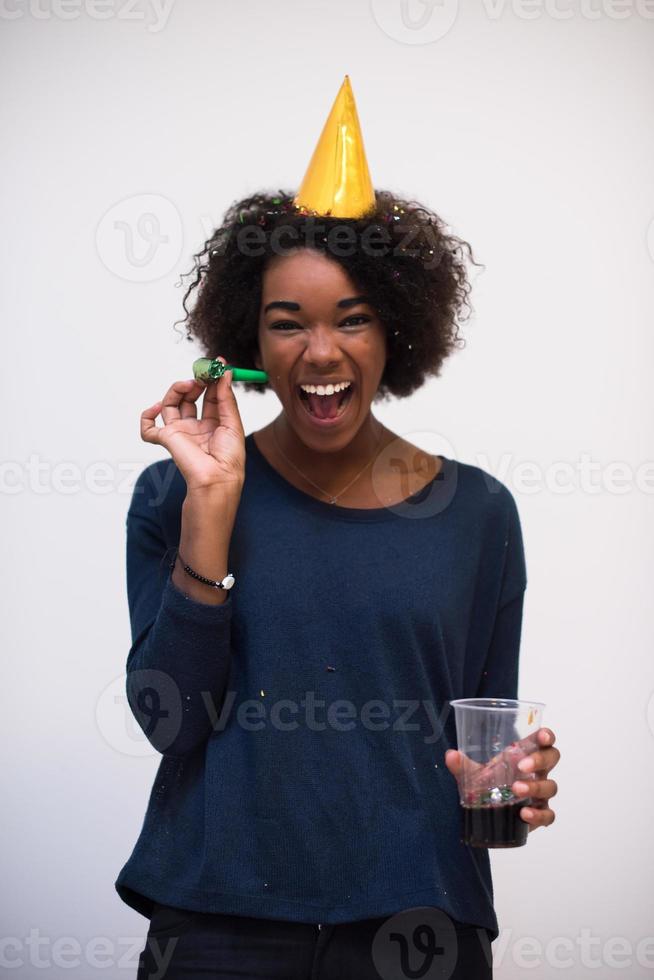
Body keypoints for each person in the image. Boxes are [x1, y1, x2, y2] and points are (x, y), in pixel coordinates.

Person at [115, 78, 560, 980]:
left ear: (397, 330)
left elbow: (486, 754)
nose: (321, 353)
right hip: (216, 922)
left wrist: (511, 790)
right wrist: (213, 504)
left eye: (352, 319)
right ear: (248, 342)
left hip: (419, 927)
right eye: (289, 324)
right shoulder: (176, 495)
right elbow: (172, 723)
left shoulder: (478, 514)